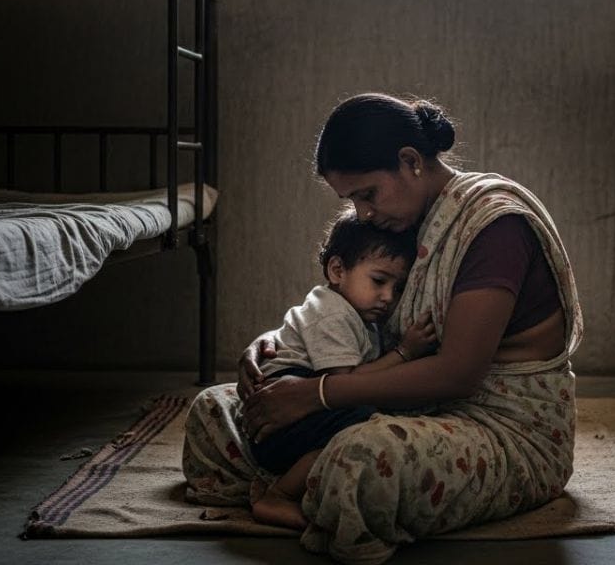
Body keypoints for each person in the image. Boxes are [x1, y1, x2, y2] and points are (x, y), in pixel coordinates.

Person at [182, 93, 584, 564]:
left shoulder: (493, 227)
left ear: (411, 161)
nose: (363, 212)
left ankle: (309, 482)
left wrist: (314, 395)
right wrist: (271, 347)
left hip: (497, 428)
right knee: (215, 411)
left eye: (367, 193)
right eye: (352, 199)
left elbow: (459, 375)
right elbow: (337, 308)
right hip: (384, 403)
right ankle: (308, 487)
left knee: (366, 460)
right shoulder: (400, 220)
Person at [246, 209, 438, 529]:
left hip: (302, 408)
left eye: (399, 287)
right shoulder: (331, 313)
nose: (388, 297)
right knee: (359, 415)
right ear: (337, 270)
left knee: (372, 412)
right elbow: (343, 383)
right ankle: (277, 496)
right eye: (378, 280)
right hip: (278, 418)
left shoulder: (359, 314)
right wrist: (406, 351)